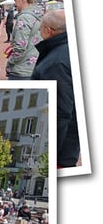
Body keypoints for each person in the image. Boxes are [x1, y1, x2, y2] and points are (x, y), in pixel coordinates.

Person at [31, 10, 80, 169]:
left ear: (48, 30)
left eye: (41, 28)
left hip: (64, 148)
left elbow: (61, 112)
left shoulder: (55, 62)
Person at [5, 0, 43, 80]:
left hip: (21, 70)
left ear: (23, 0)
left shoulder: (24, 18)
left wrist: (10, 62)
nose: (15, 4)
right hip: (35, 65)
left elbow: (20, 47)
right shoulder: (39, 16)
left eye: (16, 1)